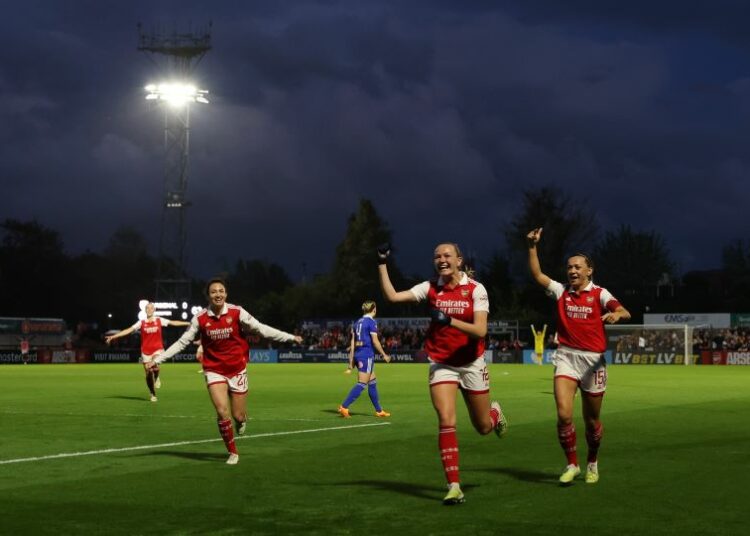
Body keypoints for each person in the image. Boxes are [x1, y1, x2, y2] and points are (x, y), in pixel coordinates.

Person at [378, 242, 508, 506]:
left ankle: (495, 414)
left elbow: (481, 331)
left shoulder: (476, 289)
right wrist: (382, 263)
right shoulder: (430, 287)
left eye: (447, 255)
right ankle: (453, 486)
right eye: (437, 256)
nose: (441, 259)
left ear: (459, 261)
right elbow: (392, 296)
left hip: (472, 363)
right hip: (441, 363)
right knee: (446, 419)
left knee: (483, 427)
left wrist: (449, 320)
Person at [146, 278, 303, 465]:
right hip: (214, 370)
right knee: (222, 411)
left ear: (226, 294)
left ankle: (242, 421)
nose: (217, 294)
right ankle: (233, 452)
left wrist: (291, 337)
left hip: (237, 369)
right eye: (213, 292)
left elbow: (262, 329)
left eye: (221, 291)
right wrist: (158, 359)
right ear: (208, 296)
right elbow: (182, 342)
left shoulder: (237, 312)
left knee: (237, 415)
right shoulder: (200, 318)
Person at [526, 227, 631, 485]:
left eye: (577, 267)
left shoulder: (599, 294)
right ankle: (572, 464)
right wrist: (531, 246)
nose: (572, 270)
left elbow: (625, 311)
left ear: (589, 271)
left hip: (593, 362)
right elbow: (538, 275)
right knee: (563, 414)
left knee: (592, 420)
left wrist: (616, 314)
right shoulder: (562, 291)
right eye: (569, 267)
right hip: (566, 357)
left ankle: (592, 462)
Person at [105, 302, 190, 402]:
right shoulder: (141, 322)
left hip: (157, 349)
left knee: (153, 365)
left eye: (151, 308)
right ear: (145, 310)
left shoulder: (159, 320)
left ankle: (157, 376)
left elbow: (173, 322)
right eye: (147, 308)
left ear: (154, 310)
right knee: (148, 373)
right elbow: (128, 330)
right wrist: (113, 336)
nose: (149, 310)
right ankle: (152, 393)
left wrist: (188, 323)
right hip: (145, 352)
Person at [338, 300, 392, 418]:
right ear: (374, 309)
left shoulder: (357, 322)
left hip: (359, 353)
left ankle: (379, 411)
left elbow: (352, 342)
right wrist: (384, 354)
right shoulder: (371, 322)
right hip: (366, 355)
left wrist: (351, 361)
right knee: (362, 384)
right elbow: (375, 341)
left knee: (372, 382)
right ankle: (344, 406)